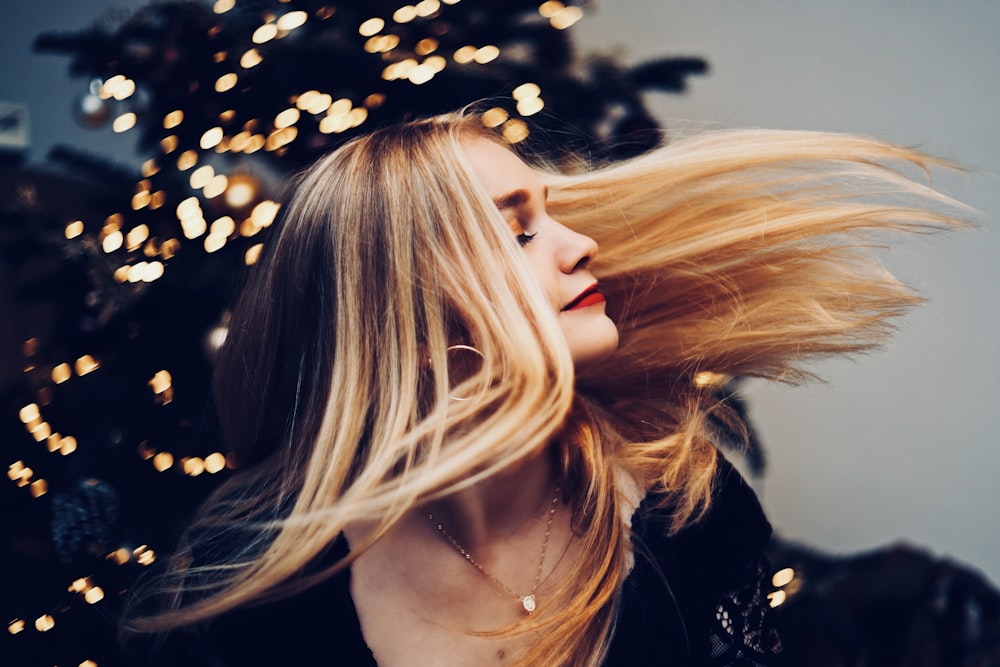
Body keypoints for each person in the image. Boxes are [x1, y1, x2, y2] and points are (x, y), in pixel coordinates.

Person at [122, 108, 965, 666]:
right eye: (516, 230)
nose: (579, 244)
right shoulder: (247, 597)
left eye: (553, 214)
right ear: (404, 316)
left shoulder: (684, 514)